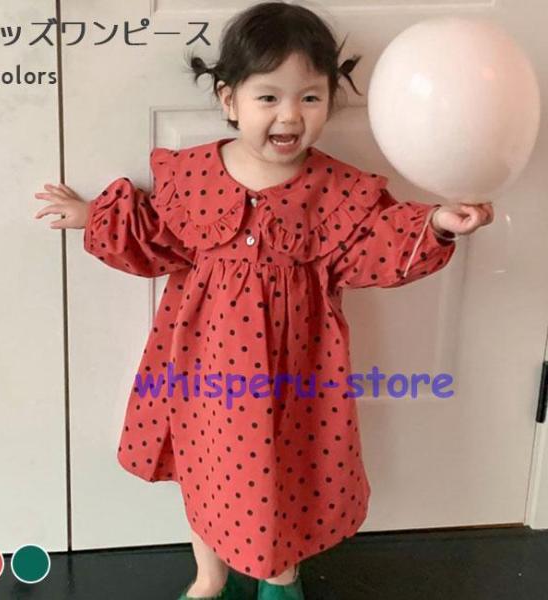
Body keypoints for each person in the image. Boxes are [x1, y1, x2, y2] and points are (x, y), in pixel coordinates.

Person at [34, 2, 493, 598]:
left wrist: (436, 224)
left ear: (331, 100)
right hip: (202, 365)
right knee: (204, 468)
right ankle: (210, 577)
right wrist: (93, 215)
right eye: (268, 97)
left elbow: (376, 245)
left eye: (310, 97)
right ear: (229, 99)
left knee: (282, 472)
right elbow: (155, 237)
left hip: (294, 373)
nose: (290, 115)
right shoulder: (193, 176)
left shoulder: (337, 190)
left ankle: (279, 575)